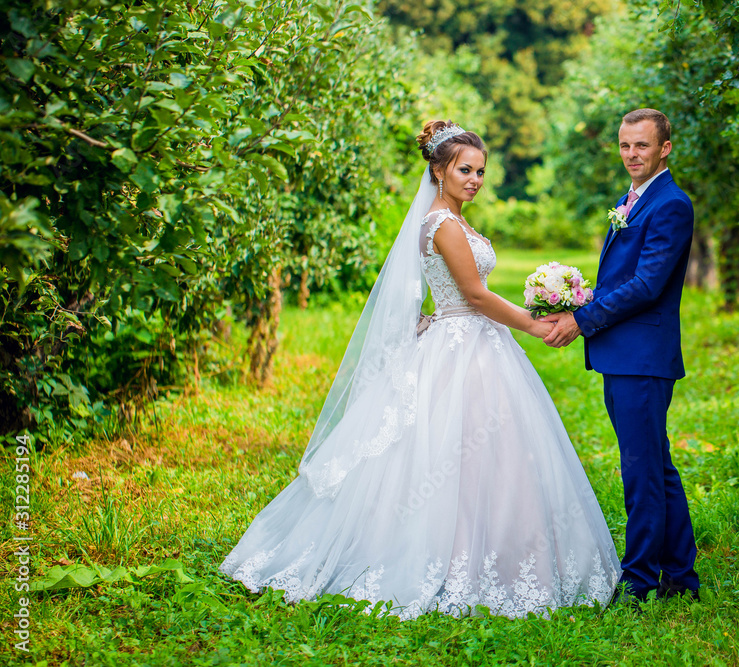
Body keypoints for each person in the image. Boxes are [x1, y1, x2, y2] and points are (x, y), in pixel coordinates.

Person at [220, 120, 621, 619]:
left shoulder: (457, 221)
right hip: (462, 345)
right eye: (464, 170)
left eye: (480, 171)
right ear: (438, 170)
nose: (474, 179)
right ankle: (443, 555)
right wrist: (534, 325)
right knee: (451, 451)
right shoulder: (443, 225)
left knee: (489, 455)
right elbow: (473, 295)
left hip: (473, 341)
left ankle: (497, 547)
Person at [542, 108, 700, 605]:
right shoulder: (632, 198)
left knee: (641, 471)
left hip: (642, 356)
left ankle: (638, 583)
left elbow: (649, 285)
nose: (632, 155)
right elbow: (624, 274)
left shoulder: (671, 204)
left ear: (665, 148)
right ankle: (680, 577)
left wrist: (581, 321)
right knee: (654, 466)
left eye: (642, 146)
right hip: (626, 355)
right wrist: (579, 296)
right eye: (625, 145)